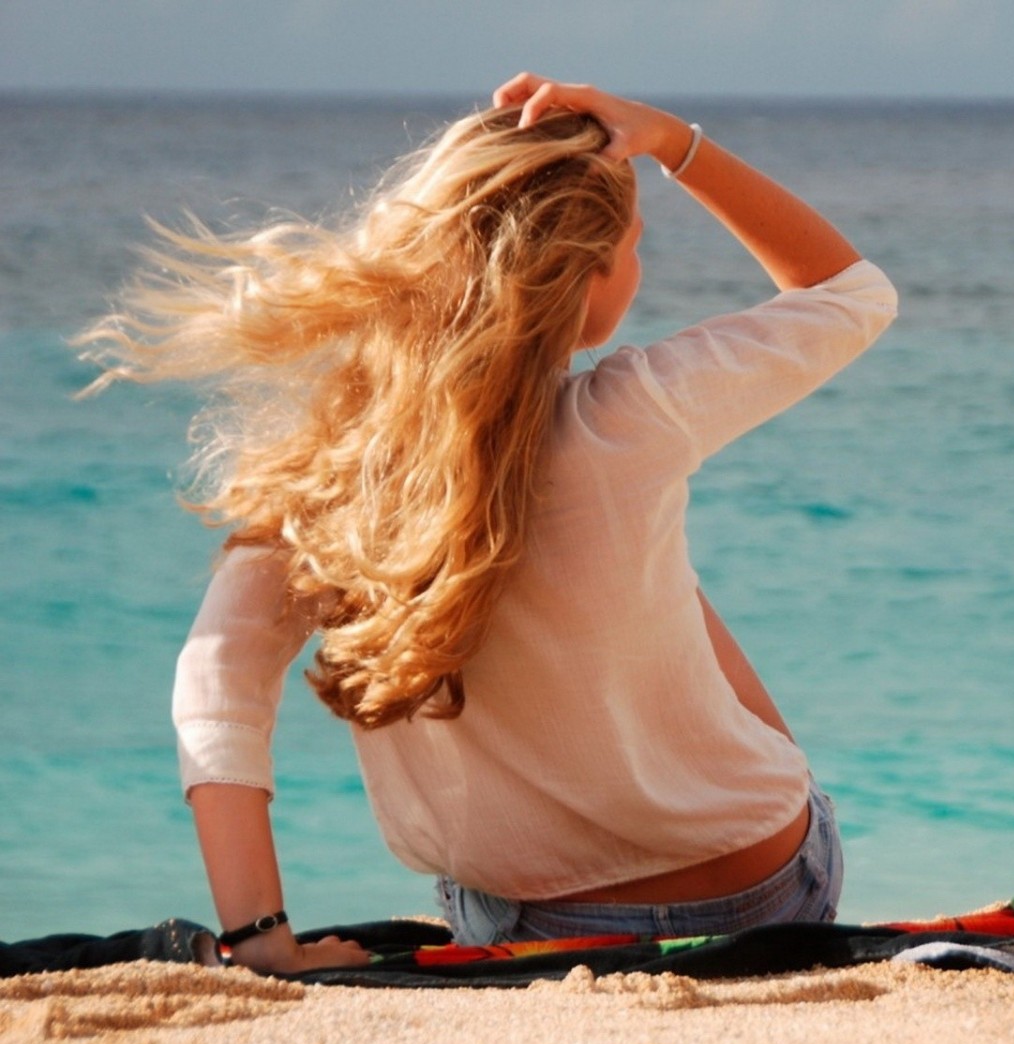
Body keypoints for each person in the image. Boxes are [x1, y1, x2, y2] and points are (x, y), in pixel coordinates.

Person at [77, 74, 898, 974]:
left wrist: (262, 941)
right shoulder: (632, 416)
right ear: (587, 277)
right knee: (647, 561)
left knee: (628, 559)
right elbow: (850, 293)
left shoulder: (336, 475)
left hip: (532, 934)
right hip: (763, 893)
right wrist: (672, 142)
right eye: (633, 246)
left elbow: (218, 679)